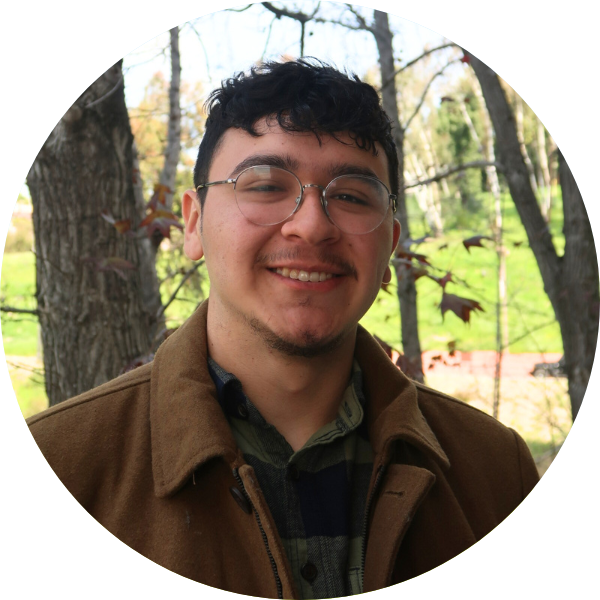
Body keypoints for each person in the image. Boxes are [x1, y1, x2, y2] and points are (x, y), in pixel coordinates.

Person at [28, 59, 539, 599]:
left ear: (389, 246)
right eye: (267, 186)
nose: (313, 224)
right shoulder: (52, 472)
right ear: (194, 223)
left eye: (350, 195)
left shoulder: (497, 474)